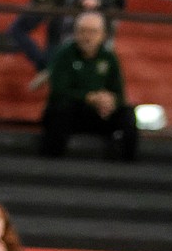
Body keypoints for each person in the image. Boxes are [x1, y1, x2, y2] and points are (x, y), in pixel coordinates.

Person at [40, 11, 137, 162]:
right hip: (72, 113)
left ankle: (128, 168)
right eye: (82, 31)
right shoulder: (64, 54)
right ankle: (51, 166)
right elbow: (59, 91)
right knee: (58, 112)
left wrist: (110, 102)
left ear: (103, 35)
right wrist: (89, 98)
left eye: (93, 32)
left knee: (128, 114)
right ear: (75, 33)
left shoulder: (109, 57)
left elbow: (119, 93)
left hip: (99, 114)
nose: (87, 36)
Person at [9, 0, 73, 72]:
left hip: (46, 4)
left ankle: (43, 64)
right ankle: (49, 67)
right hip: (62, 3)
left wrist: (46, 2)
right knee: (53, 38)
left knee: (16, 30)